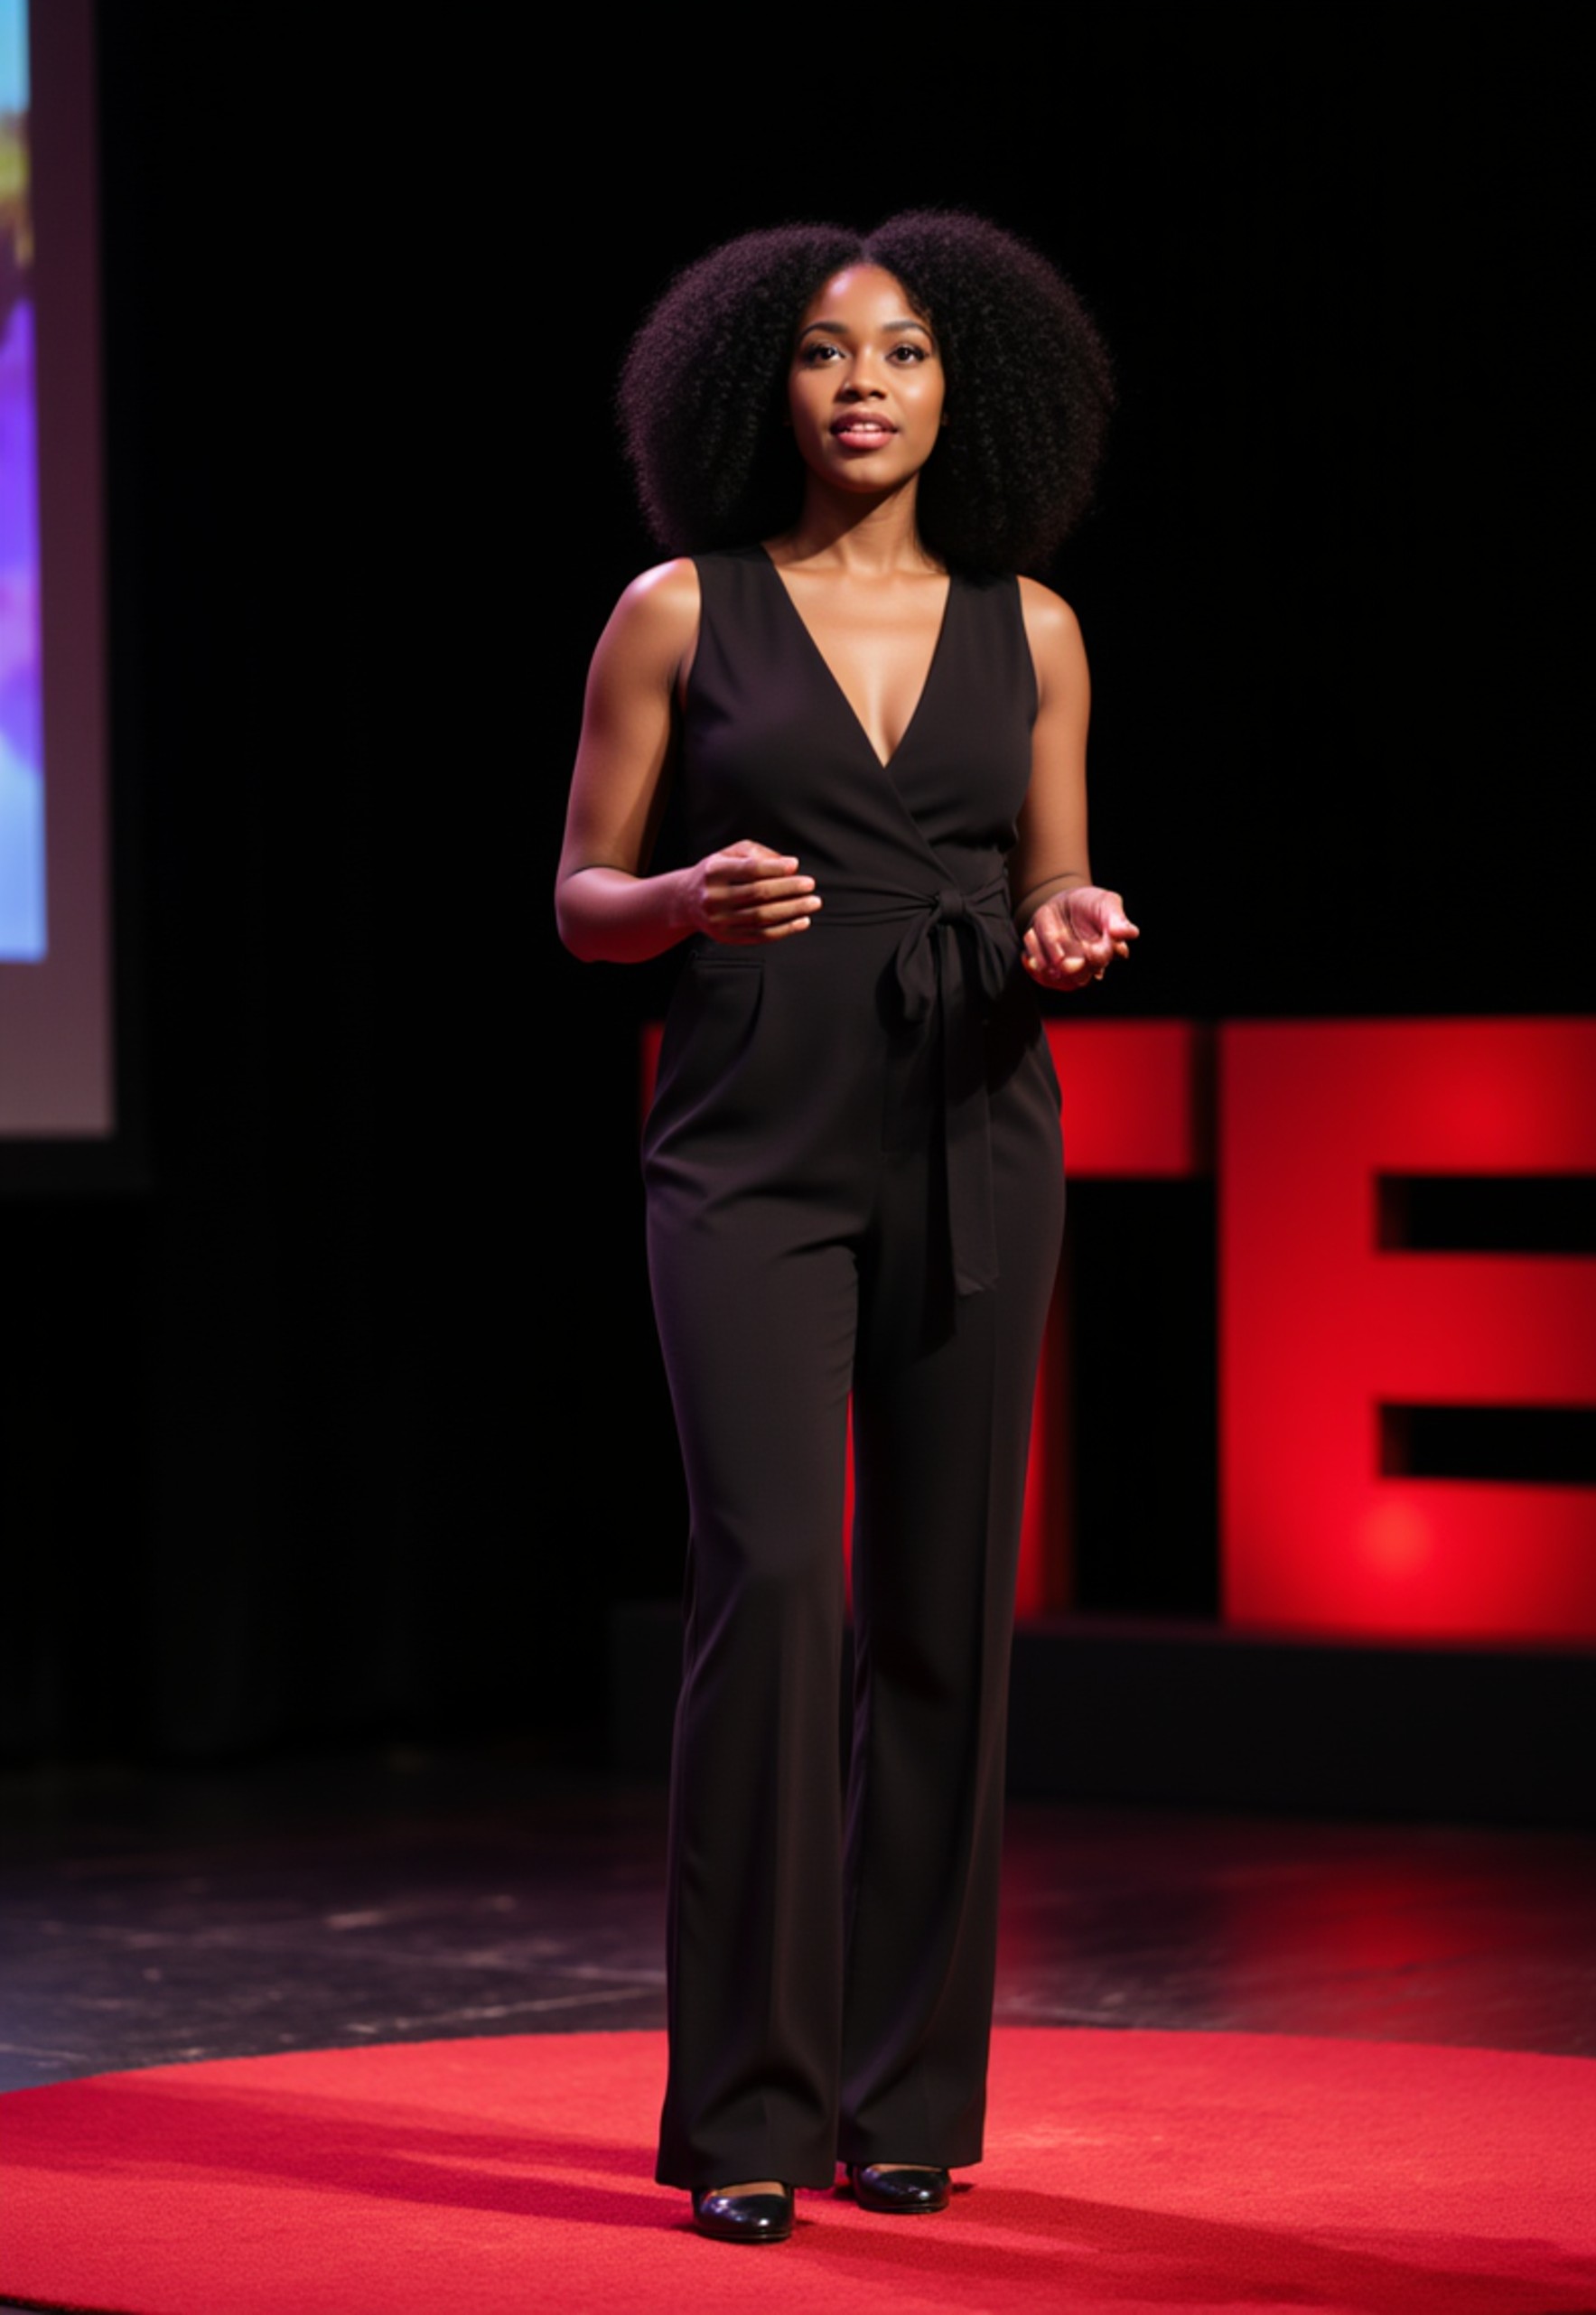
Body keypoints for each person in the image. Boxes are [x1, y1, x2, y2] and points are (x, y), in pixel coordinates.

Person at [555, 213, 1136, 2245]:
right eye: (820, 351)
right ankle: (742, 2103)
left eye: (899, 350)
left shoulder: (1036, 625)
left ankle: (907, 2093)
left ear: (967, 384)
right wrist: (684, 899)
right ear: (760, 389)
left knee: (942, 1612)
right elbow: (577, 895)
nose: (862, 380)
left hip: (976, 1130)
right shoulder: (675, 611)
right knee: (777, 1583)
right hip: (745, 1143)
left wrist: (1067, 924)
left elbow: (1056, 873)